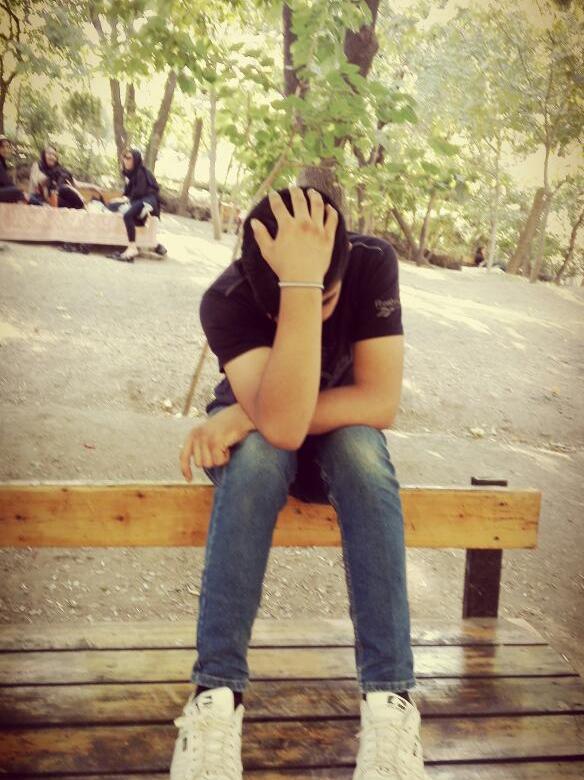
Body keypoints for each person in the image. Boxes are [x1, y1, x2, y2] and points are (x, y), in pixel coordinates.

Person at [173, 185, 428, 779]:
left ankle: (391, 705)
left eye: (324, 297)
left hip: (324, 427)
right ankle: (214, 697)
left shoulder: (371, 262)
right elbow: (282, 429)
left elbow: (379, 401)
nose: (310, 315)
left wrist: (245, 415)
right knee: (257, 459)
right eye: (283, 311)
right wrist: (300, 287)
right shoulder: (225, 299)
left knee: (363, 452)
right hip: (265, 435)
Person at [106, 148, 165, 263]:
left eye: (129, 158)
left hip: (148, 199)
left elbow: (140, 192)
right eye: (124, 158)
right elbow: (128, 193)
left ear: (136, 160)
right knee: (112, 206)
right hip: (138, 200)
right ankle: (143, 217)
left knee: (127, 215)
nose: (125, 160)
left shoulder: (141, 172)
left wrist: (125, 200)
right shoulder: (130, 175)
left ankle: (132, 248)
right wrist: (119, 200)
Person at [28, 145, 102, 209]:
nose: (52, 156)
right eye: (49, 153)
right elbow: (36, 182)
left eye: (54, 155)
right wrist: (54, 179)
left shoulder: (59, 170)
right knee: (62, 188)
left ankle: (83, 206)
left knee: (65, 189)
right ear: (44, 155)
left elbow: (76, 183)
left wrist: (93, 187)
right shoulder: (38, 166)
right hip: (40, 199)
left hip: (56, 200)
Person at [0, 135, 29, 203]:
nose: (5, 149)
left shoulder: (2, 162)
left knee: (21, 193)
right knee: (18, 192)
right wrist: (20, 191)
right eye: (2, 147)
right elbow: (7, 183)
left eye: (8, 147)